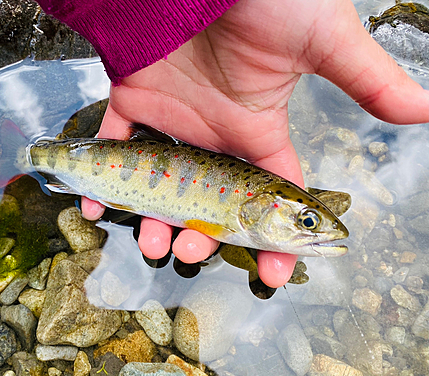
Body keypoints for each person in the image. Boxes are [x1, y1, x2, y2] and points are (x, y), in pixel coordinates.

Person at [37, 0, 429, 288]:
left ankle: (38, 158)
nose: (311, 228)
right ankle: (36, 159)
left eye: (308, 222)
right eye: (307, 221)